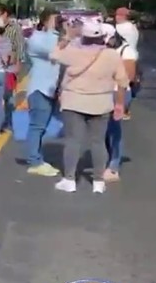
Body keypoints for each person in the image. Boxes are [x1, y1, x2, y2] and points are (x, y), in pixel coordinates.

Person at [50, 20, 129, 194]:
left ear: (83, 36)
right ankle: (99, 181)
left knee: (73, 141)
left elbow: (54, 55)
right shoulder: (112, 55)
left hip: (74, 101)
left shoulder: (73, 52)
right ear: (102, 37)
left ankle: (69, 180)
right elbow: (123, 81)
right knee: (98, 142)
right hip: (101, 103)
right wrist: (120, 104)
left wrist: (67, 37)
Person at [23, 8, 63, 176]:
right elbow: (54, 52)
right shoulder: (37, 38)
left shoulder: (57, 38)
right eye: (56, 19)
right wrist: (64, 35)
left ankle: (37, 158)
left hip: (53, 88)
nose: (59, 23)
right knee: (37, 126)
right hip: (40, 88)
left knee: (44, 126)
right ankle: (34, 161)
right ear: (45, 21)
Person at [102, 7, 139, 181]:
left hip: (120, 93)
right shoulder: (103, 49)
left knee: (114, 130)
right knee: (103, 130)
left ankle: (114, 165)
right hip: (102, 92)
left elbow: (129, 77)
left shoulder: (127, 51)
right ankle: (107, 160)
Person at [0, 4, 24, 130]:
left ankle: (8, 121)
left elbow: (19, 46)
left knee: (9, 96)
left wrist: (18, 64)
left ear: (5, 14)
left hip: (10, 66)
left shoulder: (15, 28)